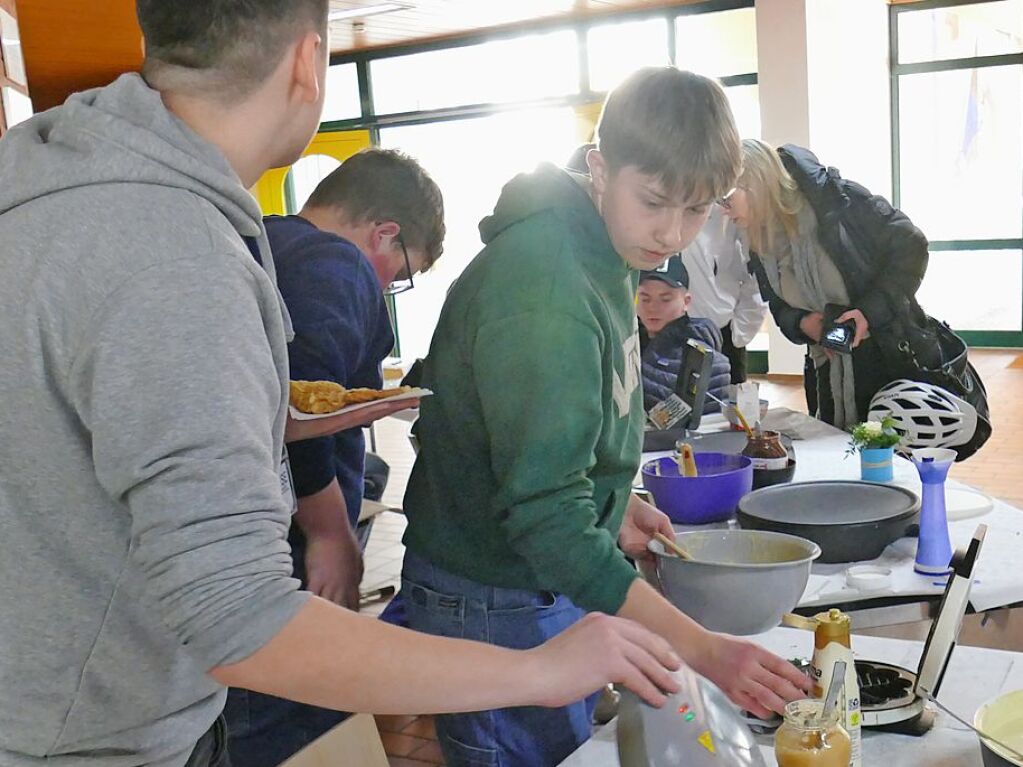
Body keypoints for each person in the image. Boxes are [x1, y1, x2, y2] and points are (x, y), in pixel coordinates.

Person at [0, 3, 687, 764]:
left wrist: (260, 418)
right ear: (306, 61)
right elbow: (241, 616)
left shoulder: (59, 180)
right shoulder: (175, 258)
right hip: (89, 736)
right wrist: (536, 668)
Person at [399, 67, 811, 767]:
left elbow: (554, 443)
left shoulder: (606, 248)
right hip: (494, 594)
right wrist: (703, 648)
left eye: (698, 209)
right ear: (599, 167)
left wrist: (613, 508)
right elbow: (545, 515)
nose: (673, 234)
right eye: (654, 202)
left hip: (532, 573)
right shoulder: (543, 285)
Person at [225, 148, 446, 766]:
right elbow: (299, 406)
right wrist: (330, 532)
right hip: (287, 547)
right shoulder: (337, 263)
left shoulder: (259, 242)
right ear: (385, 234)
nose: (386, 288)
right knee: (298, 722)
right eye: (400, 273)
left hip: (235, 545)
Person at [720, 140, 929, 428]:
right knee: (837, 456)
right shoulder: (758, 238)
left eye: (726, 198)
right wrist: (803, 323)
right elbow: (777, 304)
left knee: (888, 458)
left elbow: (912, 248)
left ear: (754, 184)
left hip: (887, 358)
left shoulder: (839, 201)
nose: (724, 210)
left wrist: (868, 314)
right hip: (825, 369)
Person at [678, 205, 767, 383]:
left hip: (721, 333)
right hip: (663, 331)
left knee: (727, 406)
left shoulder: (729, 212)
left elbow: (758, 274)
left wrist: (739, 330)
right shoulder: (664, 205)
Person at [637, 256, 731, 414]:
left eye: (665, 299)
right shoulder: (626, 343)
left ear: (686, 302)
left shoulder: (709, 362)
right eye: (645, 299)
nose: (652, 307)